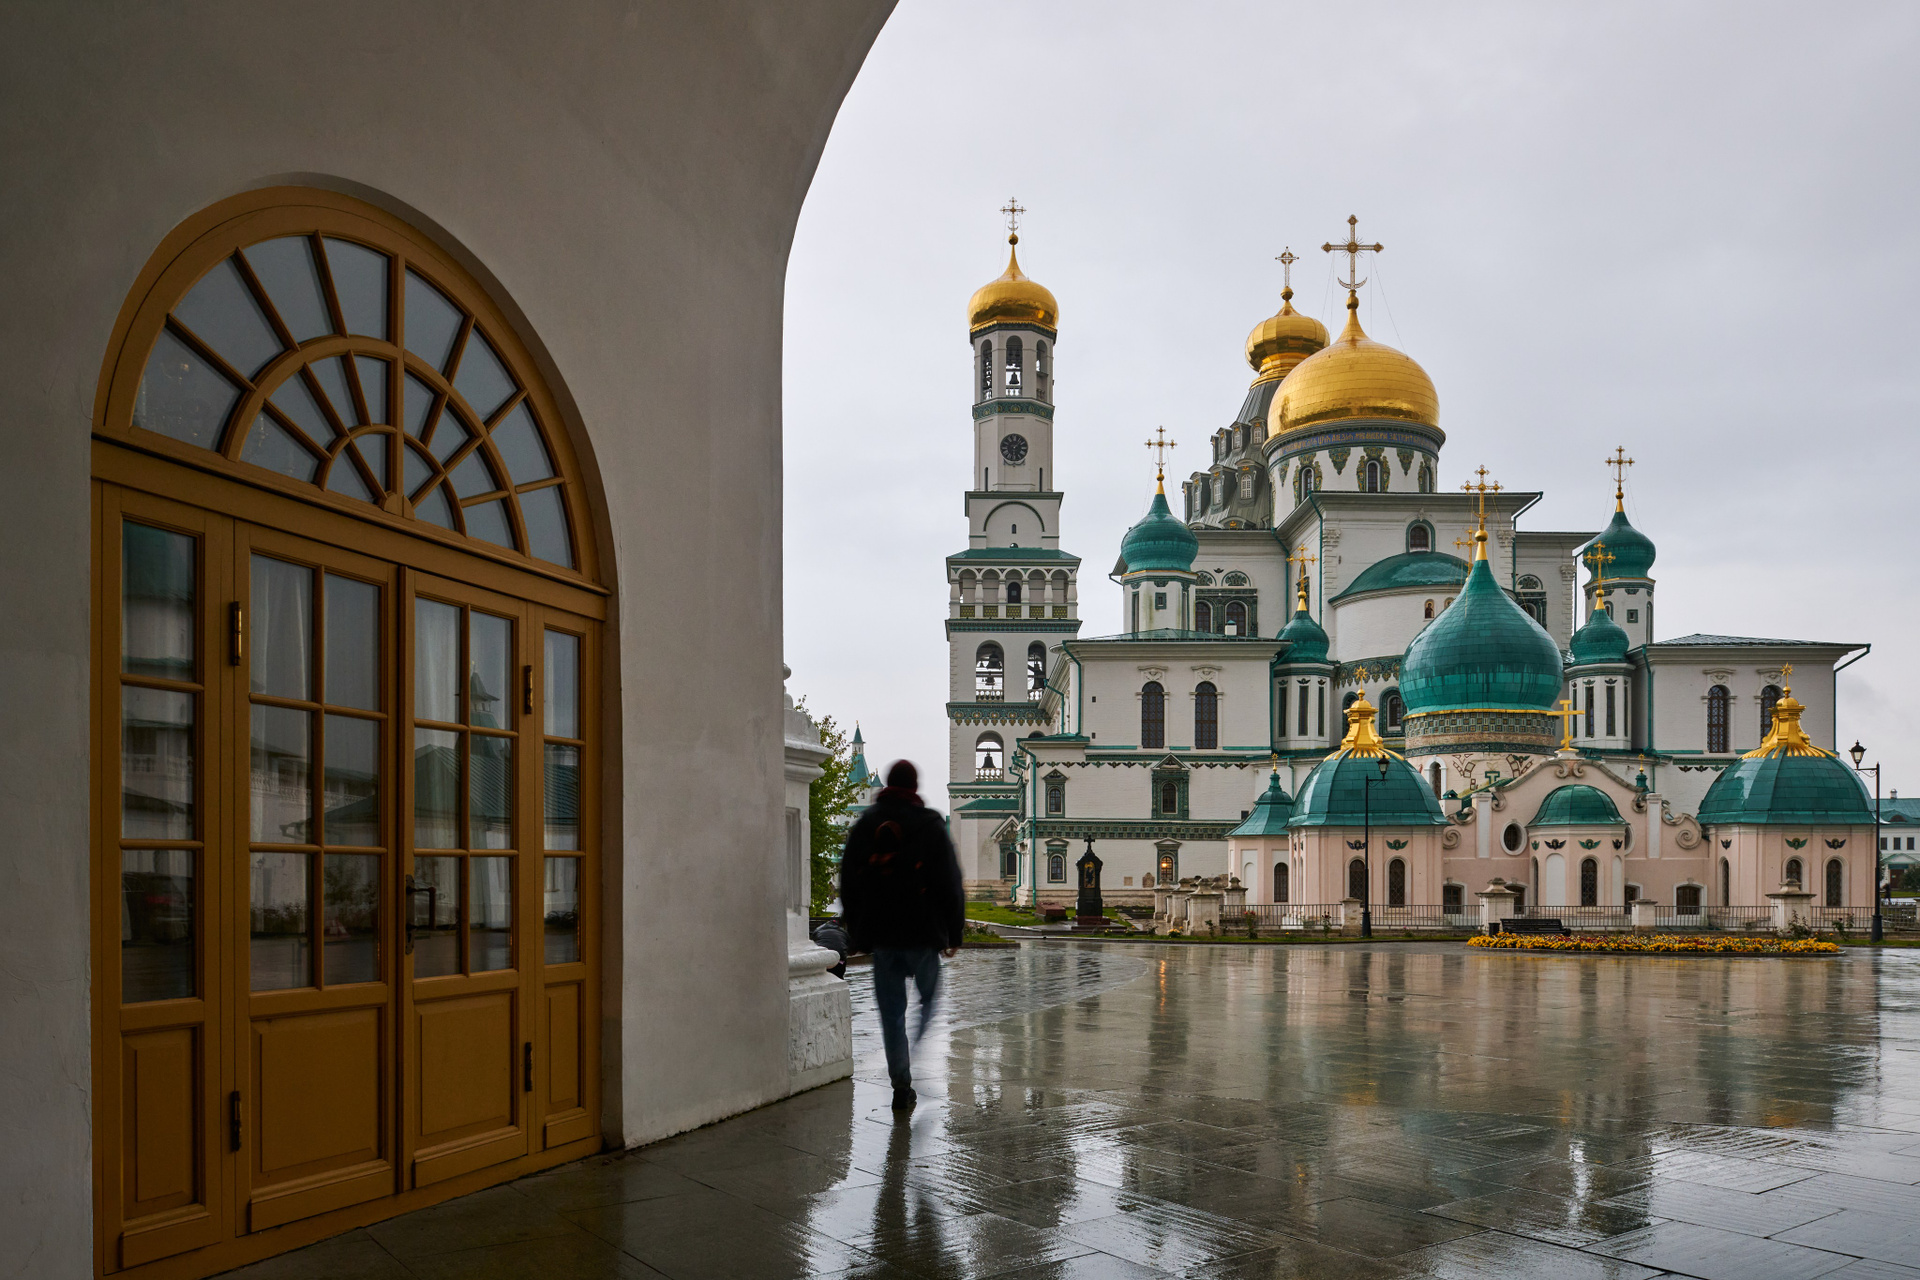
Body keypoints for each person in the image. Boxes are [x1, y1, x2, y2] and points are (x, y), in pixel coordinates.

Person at [838, 759, 963, 1110]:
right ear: (914, 786)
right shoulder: (930, 824)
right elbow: (950, 882)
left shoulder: (866, 824)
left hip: (884, 936)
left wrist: (856, 932)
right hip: (923, 934)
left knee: (891, 1014)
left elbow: (849, 882)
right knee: (929, 999)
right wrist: (953, 933)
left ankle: (901, 1083)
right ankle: (917, 1047)